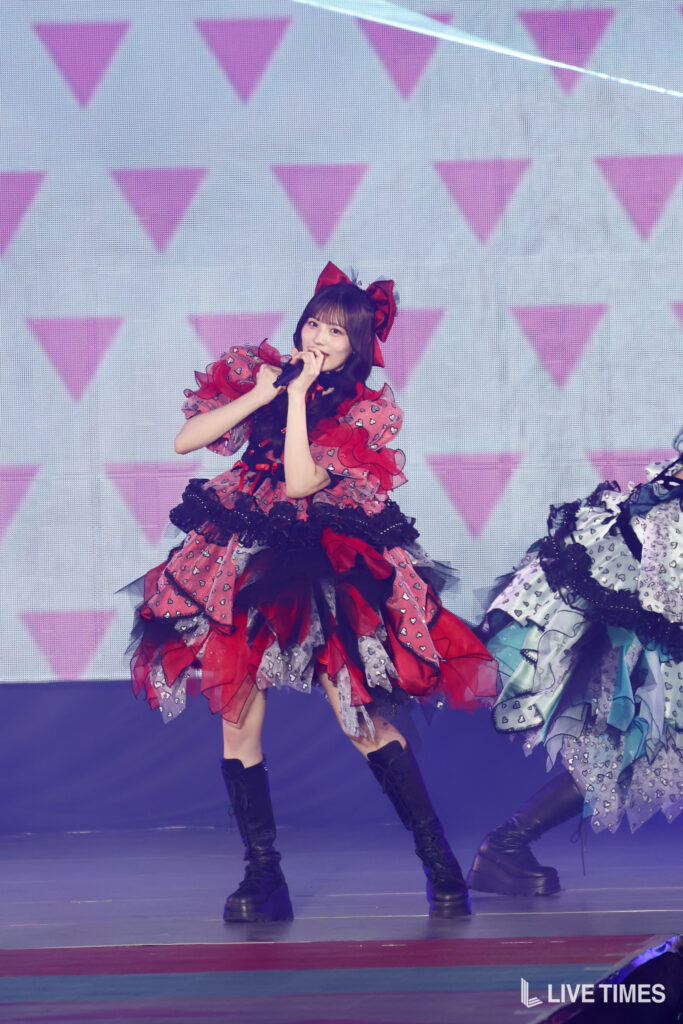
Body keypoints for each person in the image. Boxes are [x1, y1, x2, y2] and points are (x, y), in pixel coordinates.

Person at [128, 263, 497, 922]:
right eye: (313, 323)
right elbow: (188, 440)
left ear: (356, 346)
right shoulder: (263, 374)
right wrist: (266, 392)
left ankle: (438, 860)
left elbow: (300, 483)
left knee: (357, 716)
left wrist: (296, 400)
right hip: (244, 549)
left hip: (320, 562)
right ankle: (263, 875)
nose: (319, 338)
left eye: (336, 331)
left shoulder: (360, 408)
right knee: (236, 712)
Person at [467, 436, 683, 896]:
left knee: (631, 751)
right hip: (641, 639)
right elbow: (666, 598)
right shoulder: (668, 507)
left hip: (645, 634)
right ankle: (506, 844)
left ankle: (506, 845)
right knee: (624, 749)